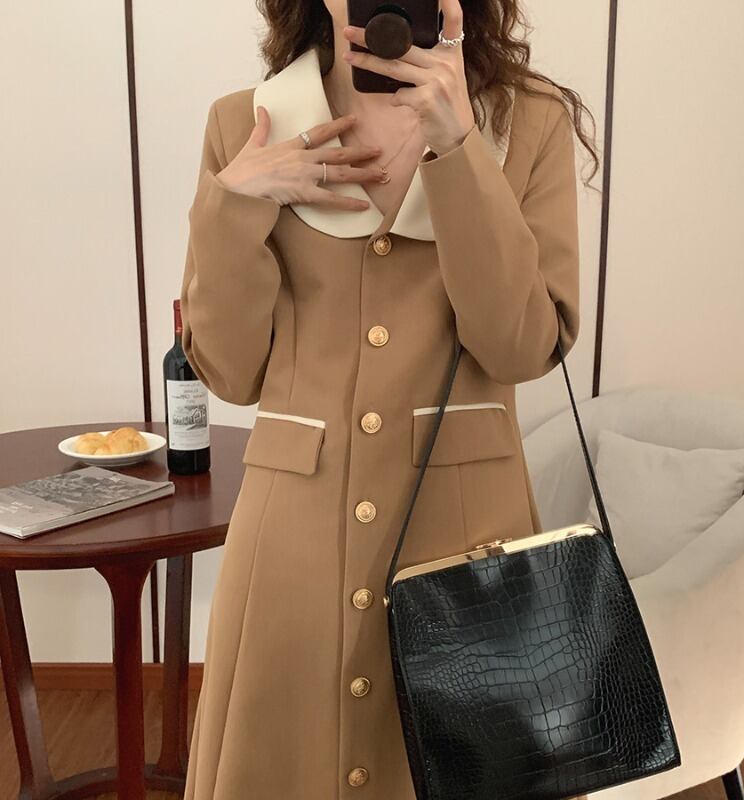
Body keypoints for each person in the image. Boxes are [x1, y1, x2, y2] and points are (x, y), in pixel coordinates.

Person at [179, 0, 599, 797]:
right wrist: (236, 203)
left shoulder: (526, 122)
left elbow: (520, 347)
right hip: (290, 555)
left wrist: (460, 149)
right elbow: (231, 374)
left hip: (467, 543)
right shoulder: (247, 123)